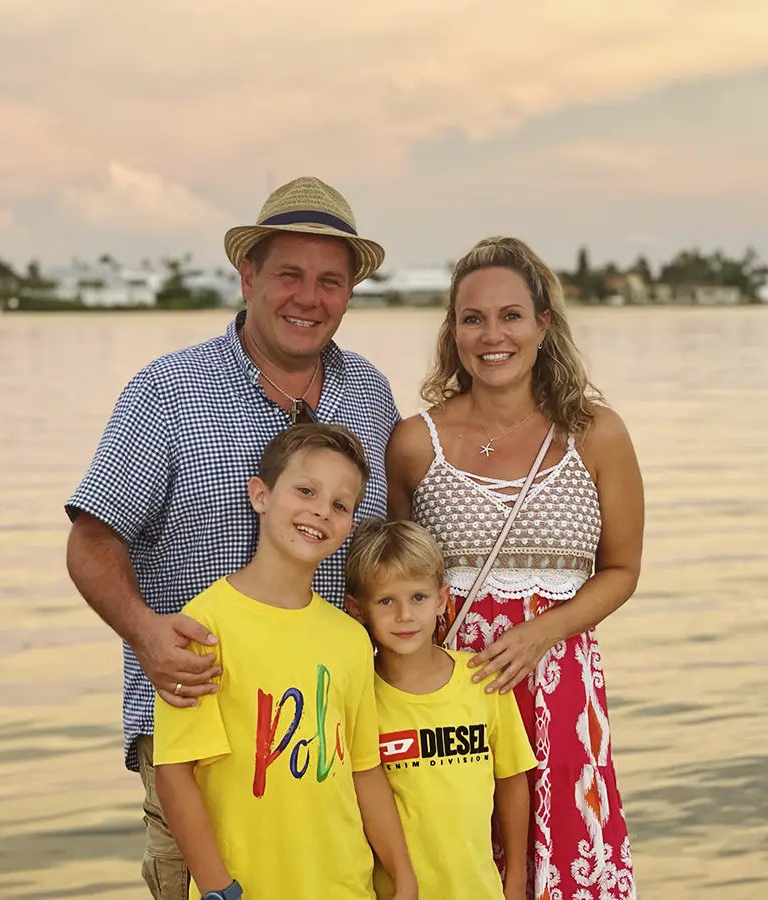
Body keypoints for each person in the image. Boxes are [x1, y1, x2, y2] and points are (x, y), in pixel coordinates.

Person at [64, 176, 401, 899]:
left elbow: (385, 549)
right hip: (198, 740)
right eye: (289, 274)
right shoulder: (168, 391)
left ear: (349, 294)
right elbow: (92, 538)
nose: (308, 298)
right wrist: (146, 633)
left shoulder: (370, 395)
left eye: (330, 281)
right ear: (247, 274)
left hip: (323, 739)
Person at [385, 236, 644, 900]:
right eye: (472, 318)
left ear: (542, 325)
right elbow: (393, 583)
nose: (491, 334)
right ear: (453, 330)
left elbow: (620, 569)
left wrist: (540, 633)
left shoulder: (597, 433)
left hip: (560, 696)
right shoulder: (416, 444)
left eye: (510, 316)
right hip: (452, 700)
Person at [153, 423, 416, 900]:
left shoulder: (350, 639)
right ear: (261, 495)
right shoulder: (203, 627)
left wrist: (403, 877)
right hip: (244, 889)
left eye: (340, 504)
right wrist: (219, 890)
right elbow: (175, 774)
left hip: (344, 886)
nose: (321, 510)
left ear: (349, 527)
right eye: (306, 490)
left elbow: (364, 768)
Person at [344, 518, 537, 900]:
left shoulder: (482, 679)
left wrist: (515, 879)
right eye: (386, 601)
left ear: (442, 600)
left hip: (479, 889)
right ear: (357, 609)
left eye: (418, 597)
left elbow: (512, 780)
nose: (404, 615)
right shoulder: (360, 695)